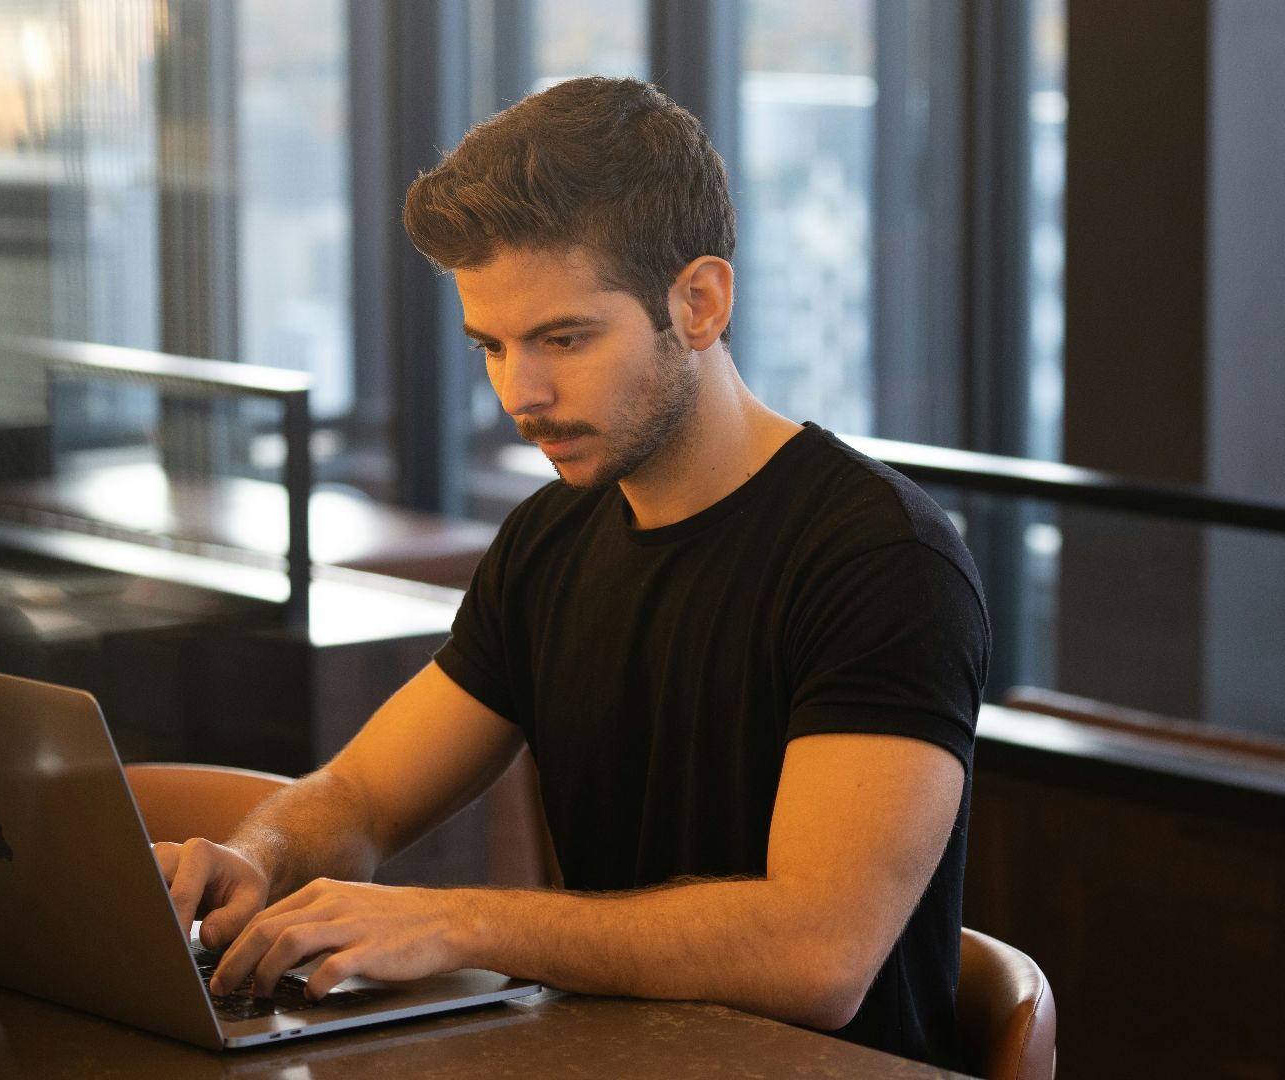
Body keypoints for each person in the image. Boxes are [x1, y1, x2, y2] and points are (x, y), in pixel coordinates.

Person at [157, 76, 988, 1068]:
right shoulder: (548, 542)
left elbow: (818, 953)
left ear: (701, 302)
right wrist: (255, 859)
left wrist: (462, 923)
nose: (521, 392)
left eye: (563, 338)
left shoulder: (883, 558)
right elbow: (364, 799)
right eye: (492, 348)